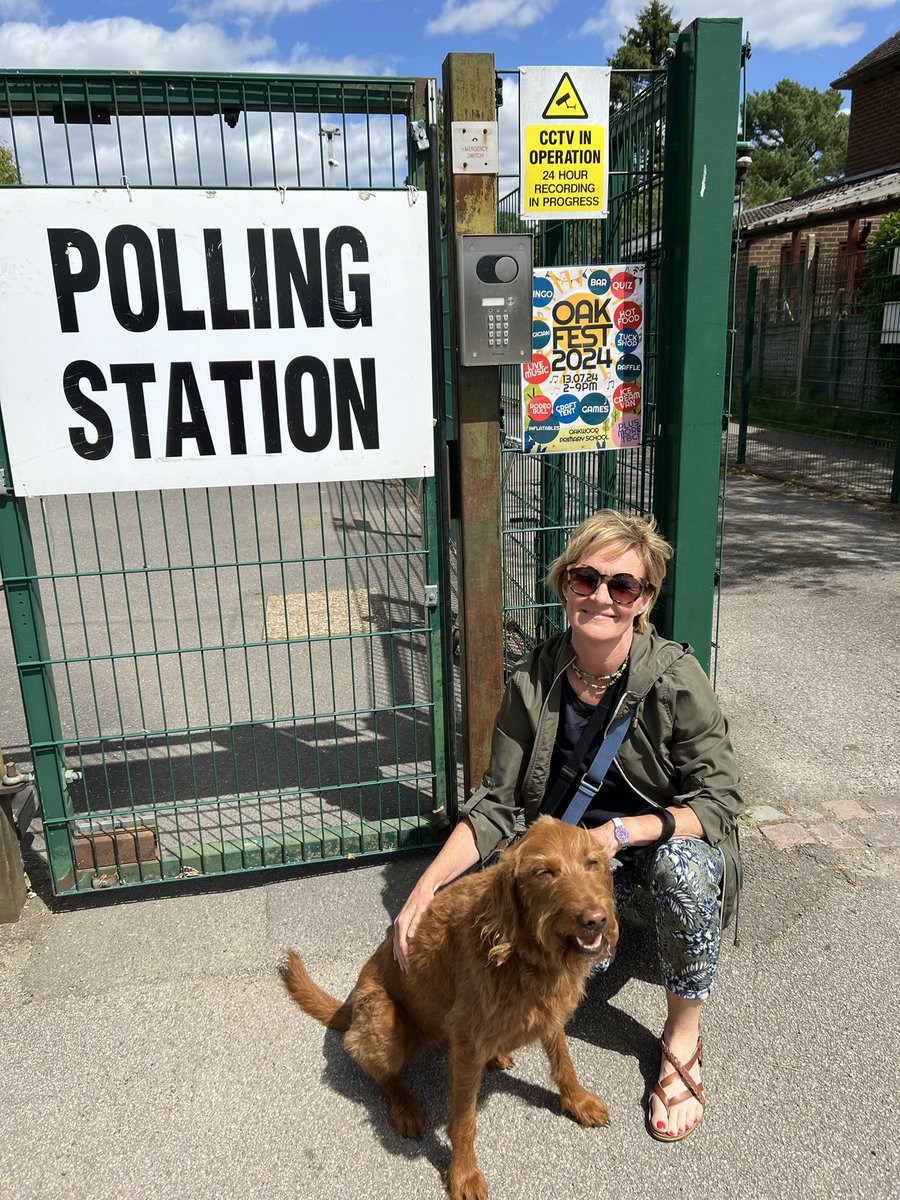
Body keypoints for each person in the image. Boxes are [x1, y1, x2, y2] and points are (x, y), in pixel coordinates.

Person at [393, 509, 742, 1142]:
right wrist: (425, 890)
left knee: (687, 874)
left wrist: (625, 833)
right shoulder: (534, 677)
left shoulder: (675, 680)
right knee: (530, 974)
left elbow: (719, 803)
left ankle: (682, 1036)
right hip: (566, 876)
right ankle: (594, 946)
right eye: (586, 579)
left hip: (640, 856)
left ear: (645, 600)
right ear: (564, 587)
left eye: (623, 586)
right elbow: (497, 804)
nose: (602, 596)